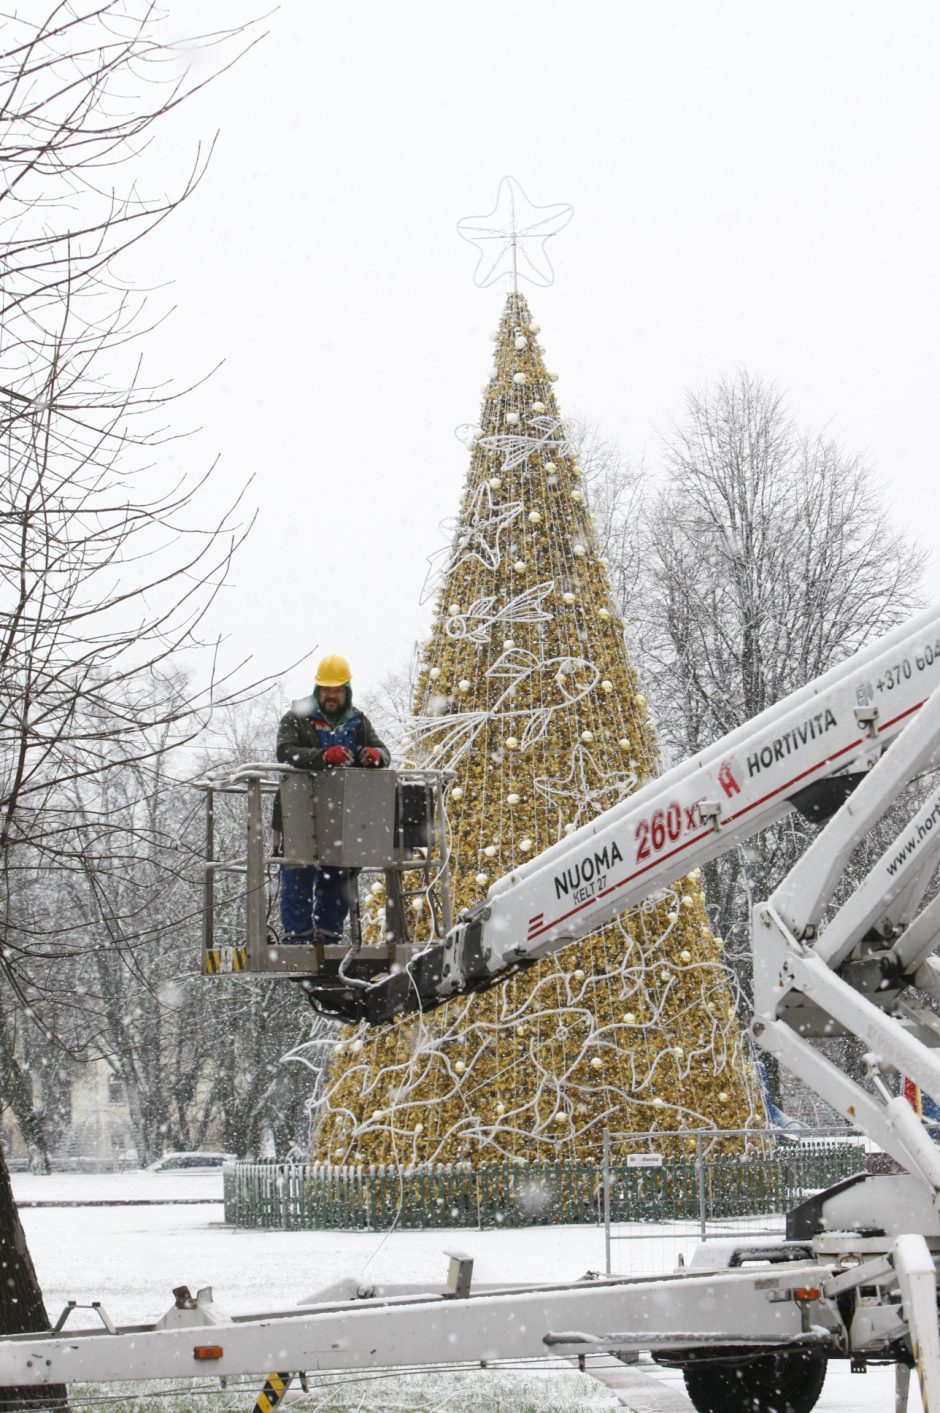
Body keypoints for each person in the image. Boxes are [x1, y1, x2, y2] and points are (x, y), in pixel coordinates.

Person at [274, 654, 390, 944]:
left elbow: (383, 752)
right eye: (326, 690)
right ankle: (297, 938)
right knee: (297, 872)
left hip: (342, 814)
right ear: (317, 689)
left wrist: (375, 757)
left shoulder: (358, 721)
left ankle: (328, 937)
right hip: (298, 810)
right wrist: (322, 757)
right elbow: (286, 752)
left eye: (337, 690)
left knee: (337, 874)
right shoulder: (297, 718)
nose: (331, 696)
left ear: (346, 691)